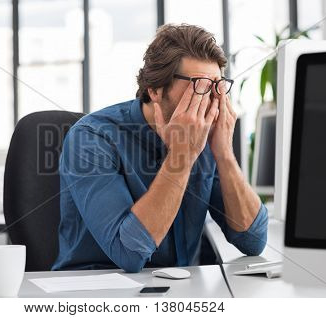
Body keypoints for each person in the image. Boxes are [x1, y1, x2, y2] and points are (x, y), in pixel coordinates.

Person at [52, 24, 268, 273]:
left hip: (180, 290)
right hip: (94, 291)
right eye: (199, 86)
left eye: (217, 87)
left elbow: (253, 240)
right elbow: (129, 254)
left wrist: (224, 154)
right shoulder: (91, 137)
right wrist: (182, 155)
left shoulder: (207, 138)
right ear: (155, 89)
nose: (210, 101)